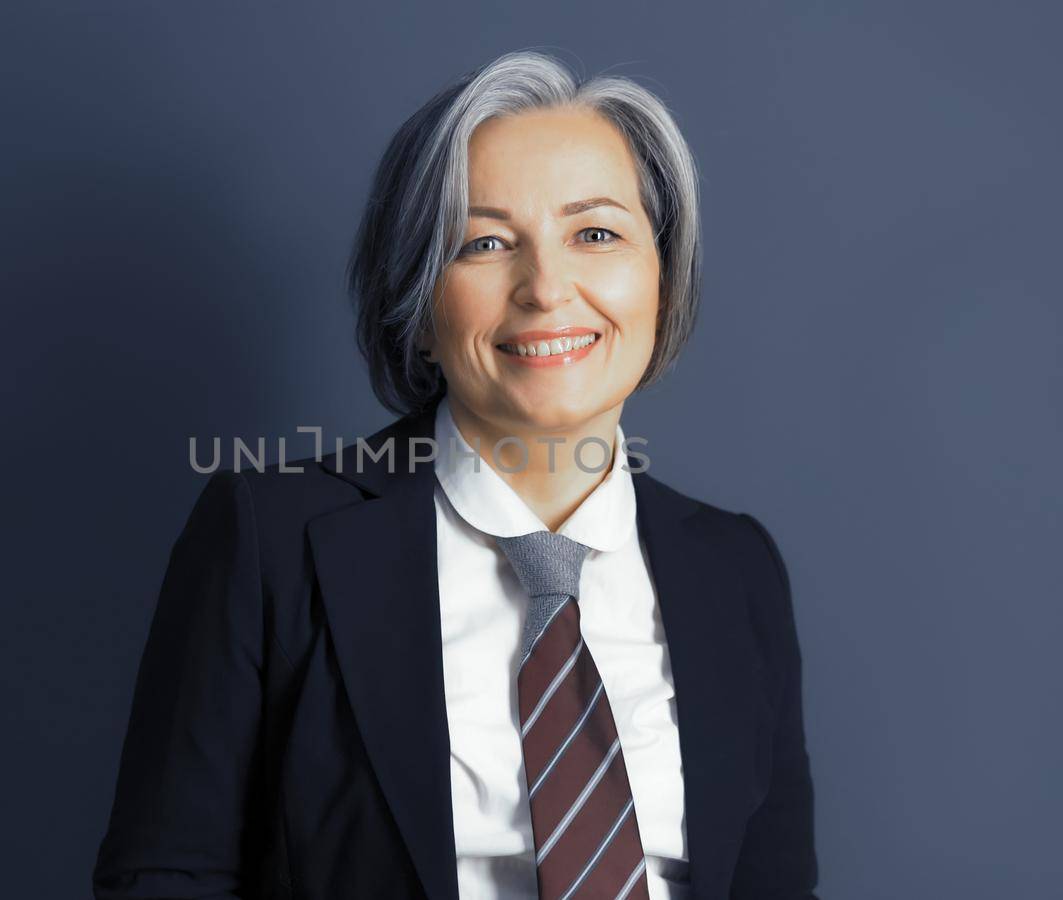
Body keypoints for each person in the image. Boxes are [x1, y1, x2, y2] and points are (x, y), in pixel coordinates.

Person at [93, 49, 818, 900]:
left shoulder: (736, 570)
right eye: (484, 242)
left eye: (596, 234)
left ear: (662, 278)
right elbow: (169, 879)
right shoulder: (271, 542)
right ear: (420, 307)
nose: (546, 288)